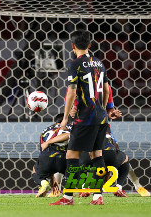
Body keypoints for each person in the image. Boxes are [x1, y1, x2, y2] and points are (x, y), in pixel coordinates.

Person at [51, 30, 109, 205]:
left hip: (86, 117)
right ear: (90, 45)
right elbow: (106, 90)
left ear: (72, 46)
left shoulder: (75, 64)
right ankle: (97, 196)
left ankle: (68, 197)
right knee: (96, 155)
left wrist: (65, 118)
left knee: (71, 156)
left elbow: (71, 92)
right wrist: (103, 109)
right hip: (101, 116)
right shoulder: (99, 63)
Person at [32, 114, 71, 198]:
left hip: (47, 158)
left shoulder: (45, 130)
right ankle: (73, 188)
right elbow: (68, 135)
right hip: (64, 160)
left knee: (35, 169)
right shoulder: (69, 127)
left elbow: (42, 150)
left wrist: (48, 142)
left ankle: (43, 183)